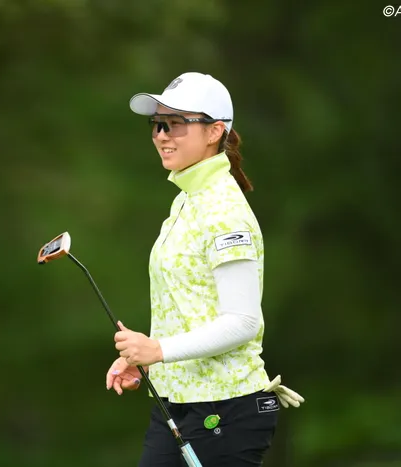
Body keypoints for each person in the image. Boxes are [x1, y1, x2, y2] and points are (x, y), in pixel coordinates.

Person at [105, 72, 304, 466]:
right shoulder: (187, 199)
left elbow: (243, 321)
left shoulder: (224, 210)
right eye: (158, 124)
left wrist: (159, 350)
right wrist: (146, 357)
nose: (162, 135)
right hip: (178, 404)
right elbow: (192, 304)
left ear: (215, 131)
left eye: (176, 124)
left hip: (225, 411)